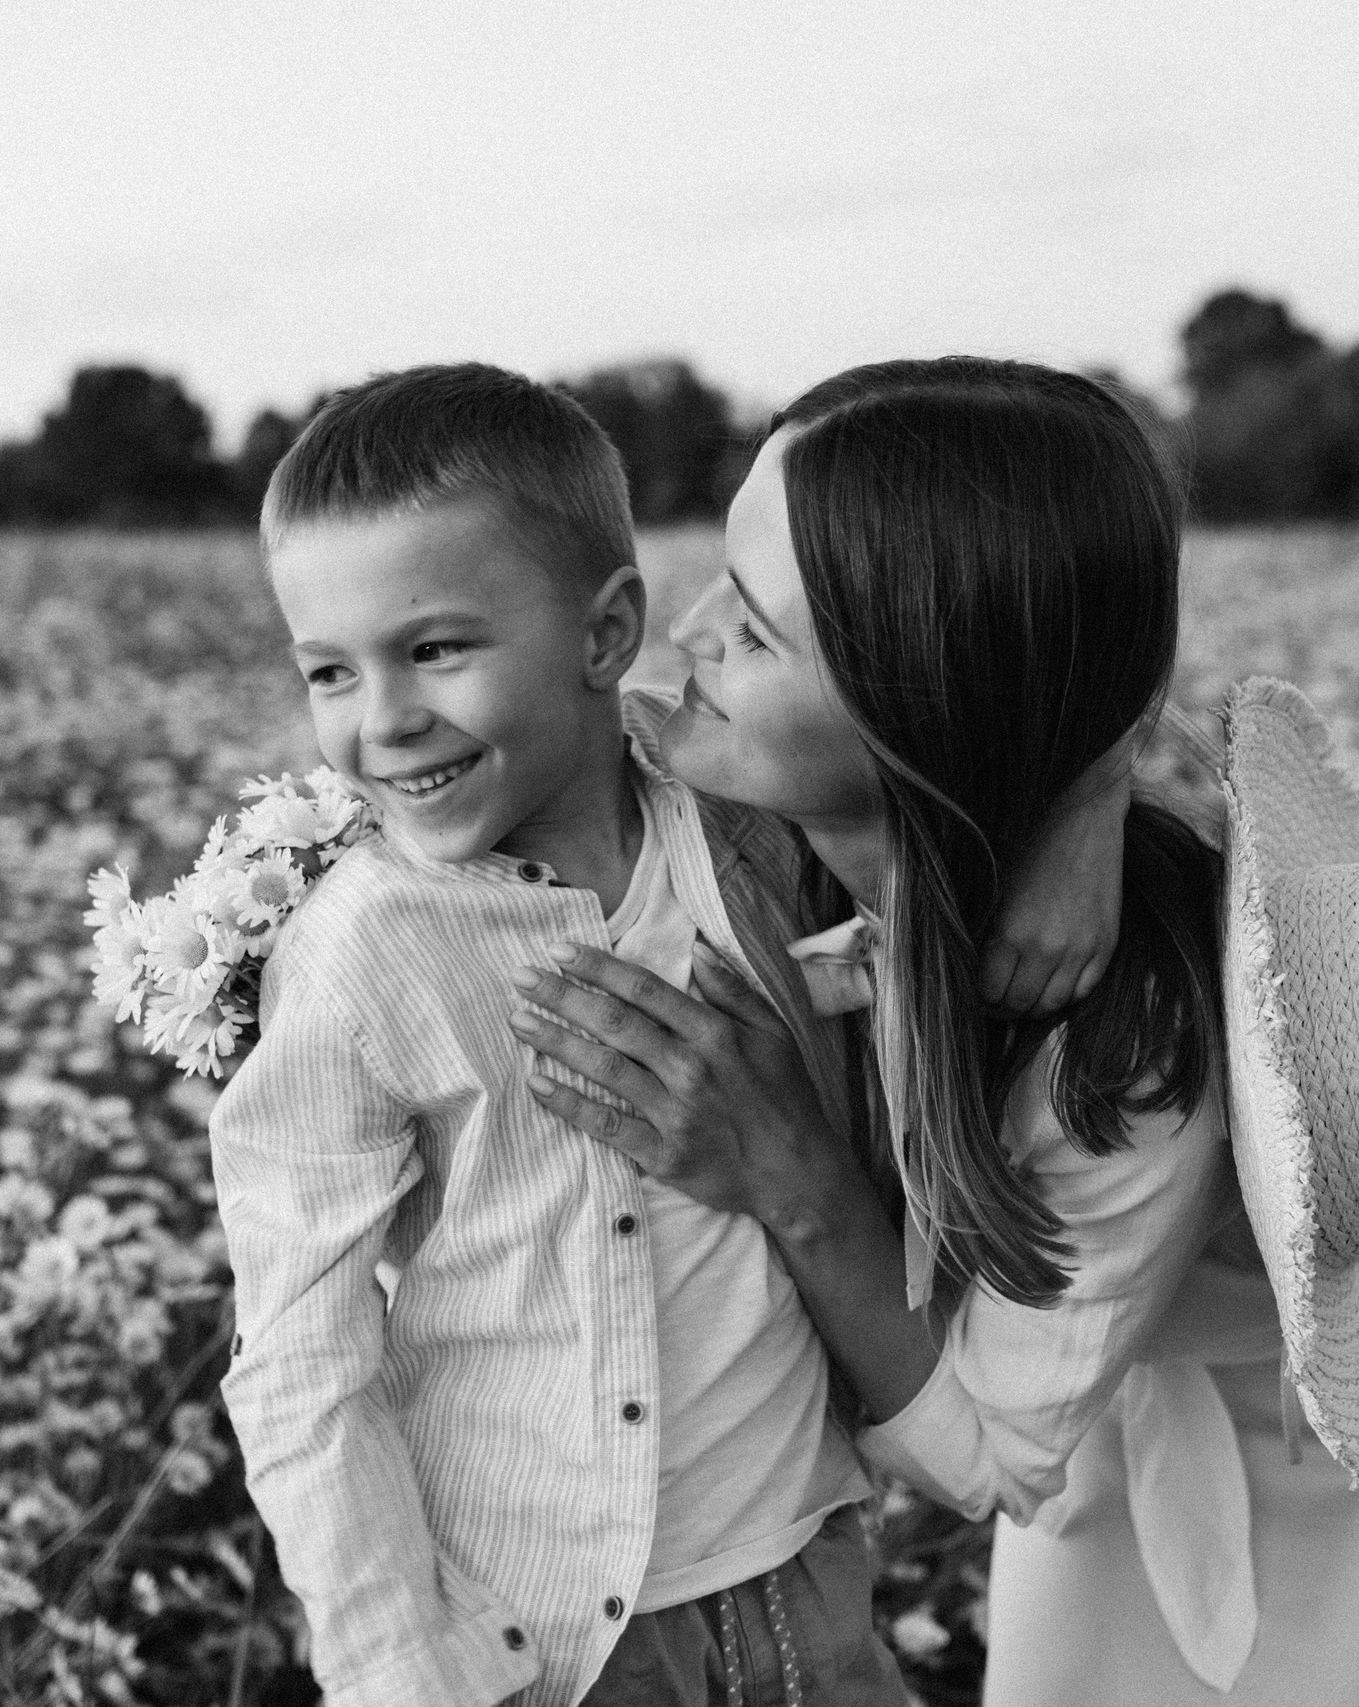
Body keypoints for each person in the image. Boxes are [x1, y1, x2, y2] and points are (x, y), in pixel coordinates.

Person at [510, 357, 1359, 1705]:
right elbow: (1084, 522)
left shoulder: (1128, 1054)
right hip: (1118, 1329)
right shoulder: (794, 805)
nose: (685, 629)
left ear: (921, 713)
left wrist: (795, 1183)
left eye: (757, 629)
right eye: (723, 577)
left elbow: (987, 1461)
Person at [209, 363, 1116, 1707]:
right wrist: (399, 1668)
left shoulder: (750, 833)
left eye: (436, 649)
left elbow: (1003, 688)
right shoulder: (362, 949)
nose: (383, 720)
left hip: (807, 1570)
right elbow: (298, 1352)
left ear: (605, 634)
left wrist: (1086, 813)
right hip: (550, 1635)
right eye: (328, 671)